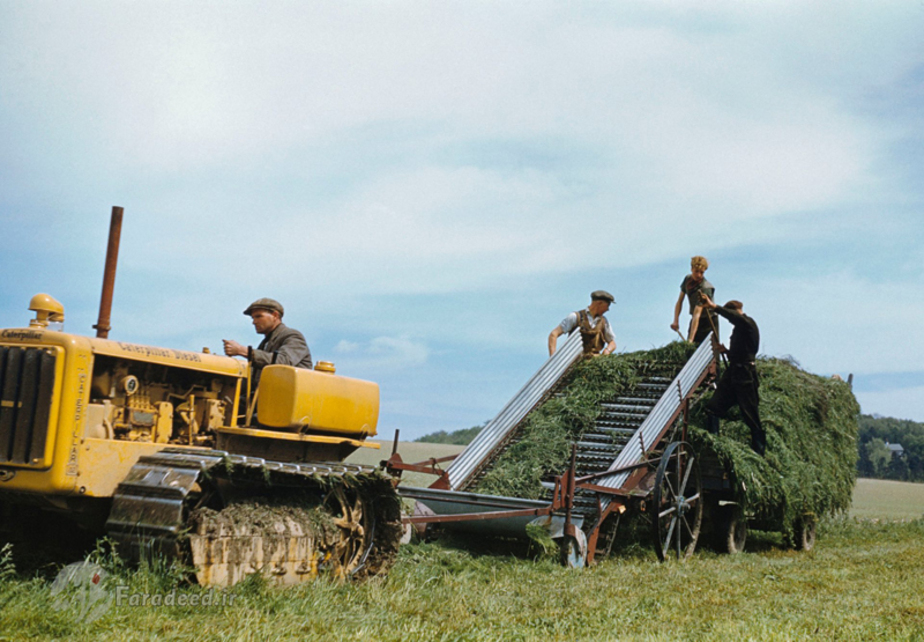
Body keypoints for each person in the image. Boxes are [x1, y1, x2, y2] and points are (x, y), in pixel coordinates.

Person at [700, 294, 765, 456]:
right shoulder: (740, 328)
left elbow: (735, 318)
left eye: (731, 317)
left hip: (745, 376)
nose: (730, 321)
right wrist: (726, 351)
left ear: (735, 312)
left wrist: (714, 306)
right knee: (713, 408)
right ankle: (714, 447)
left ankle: (759, 452)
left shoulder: (747, 323)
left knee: (751, 415)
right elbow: (740, 352)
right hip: (733, 374)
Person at [223, 298, 313, 385]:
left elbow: (282, 363)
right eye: (253, 318)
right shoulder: (265, 344)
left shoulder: (292, 336)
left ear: (275, 315)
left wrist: (242, 350)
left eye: (258, 316)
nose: (254, 322)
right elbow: (253, 380)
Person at [548, 290, 617, 357]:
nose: (608, 309)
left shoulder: (604, 321)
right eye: (607, 305)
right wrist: (553, 358)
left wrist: (607, 351)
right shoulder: (575, 317)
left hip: (595, 363)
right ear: (599, 303)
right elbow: (553, 334)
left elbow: (612, 343)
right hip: (574, 362)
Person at [671, 255, 718, 344]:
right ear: (691, 269)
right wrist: (676, 321)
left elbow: (697, 313)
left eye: (702, 272)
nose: (699, 275)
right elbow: (680, 301)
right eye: (696, 271)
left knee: (708, 350)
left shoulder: (705, 288)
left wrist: (690, 340)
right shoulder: (687, 280)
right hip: (696, 319)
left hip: (709, 321)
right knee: (692, 352)